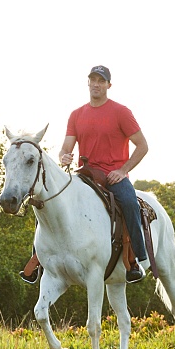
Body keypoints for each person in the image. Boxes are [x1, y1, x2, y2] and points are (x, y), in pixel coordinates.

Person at [59, 65, 149, 283]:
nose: (96, 84)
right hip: (85, 175)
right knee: (51, 197)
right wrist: (64, 157)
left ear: (109, 85)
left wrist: (123, 170)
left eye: (101, 81)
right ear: (87, 83)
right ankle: (40, 259)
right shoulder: (76, 115)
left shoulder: (121, 112)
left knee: (129, 202)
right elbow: (65, 148)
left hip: (112, 176)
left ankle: (135, 259)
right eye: (93, 80)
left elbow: (142, 146)